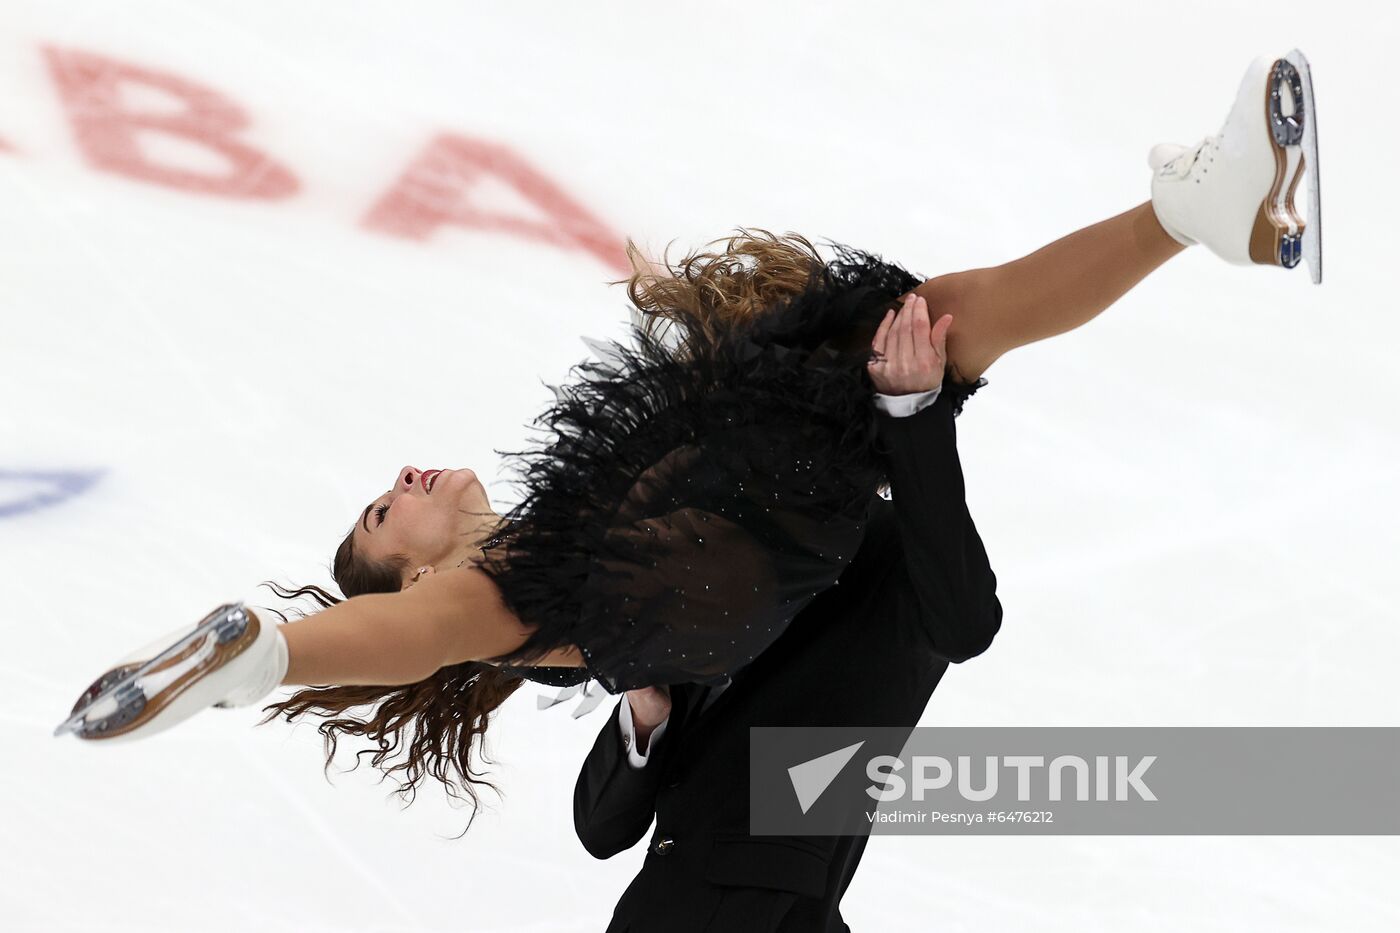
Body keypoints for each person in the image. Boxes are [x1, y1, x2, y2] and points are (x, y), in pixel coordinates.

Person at [55, 50, 1322, 826]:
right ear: (416, 564)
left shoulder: (563, 598)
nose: (399, 485)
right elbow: (425, 637)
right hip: (710, 565)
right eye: (388, 519)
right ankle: (265, 657)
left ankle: (1210, 215)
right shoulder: (508, 602)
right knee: (458, 627)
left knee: (918, 327)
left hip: (747, 544)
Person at [572, 363, 994, 931]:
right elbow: (602, 828)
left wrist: (915, 415)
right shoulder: (713, 546)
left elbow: (967, 625)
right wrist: (647, 718)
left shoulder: (897, 553)